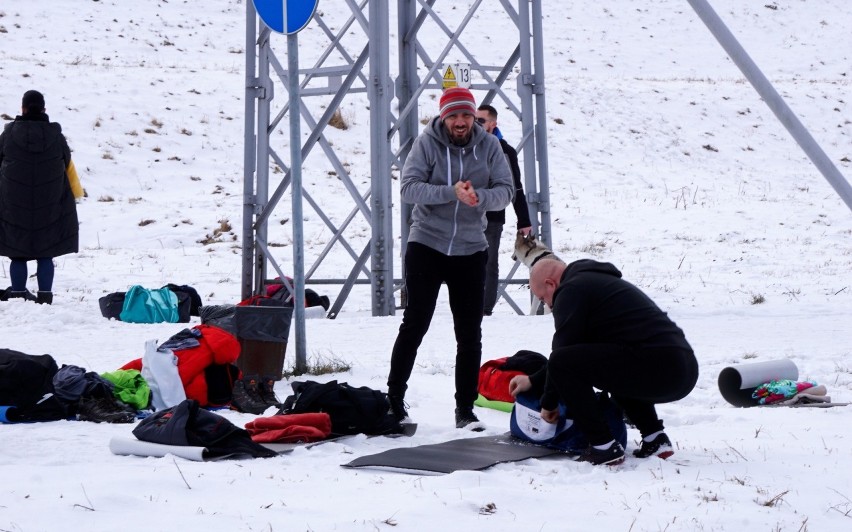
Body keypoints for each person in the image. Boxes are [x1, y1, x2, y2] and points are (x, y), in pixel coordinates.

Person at [387, 87, 514, 430]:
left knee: (470, 333)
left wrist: (481, 198)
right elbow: (409, 188)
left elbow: (507, 190)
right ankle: (394, 400)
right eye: (454, 116)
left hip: (471, 249)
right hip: (427, 243)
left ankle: (465, 409)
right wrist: (449, 192)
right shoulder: (426, 143)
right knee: (415, 324)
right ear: (443, 117)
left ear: (476, 118)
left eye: (467, 116)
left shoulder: (490, 146)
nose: (461, 122)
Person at [509, 258, 698, 465]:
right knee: (610, 362)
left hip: (658, 367)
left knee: (569, 362)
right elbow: (580, 354)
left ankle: (603, 446)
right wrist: (534, 381)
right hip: (683, 368)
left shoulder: (571, 290)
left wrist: (548, 403)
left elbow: (561, 356)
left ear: (551, 283)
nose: (548, 305)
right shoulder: (595, 283)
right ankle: (655, 438)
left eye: (543, 298)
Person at [0, 90, 81, 305]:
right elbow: (67, 163)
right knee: (46, 251)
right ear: (44, 109)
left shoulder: (8, 135)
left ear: (23, 109)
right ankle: (45, 296)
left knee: (17, 252)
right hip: (50, 202)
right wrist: (76, 192)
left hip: (13, 204)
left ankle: (18, 294)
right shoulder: (56, 135)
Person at [475, 104, 532, 316]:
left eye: (481, 120)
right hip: (465, 216)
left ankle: (484, 309)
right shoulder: (466, 146)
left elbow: (515, 186)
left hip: (492, 216)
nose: (476, 124)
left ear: (492, 123)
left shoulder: (504, 151)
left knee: (488, 262)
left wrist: (523, 220)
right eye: (475, 120)